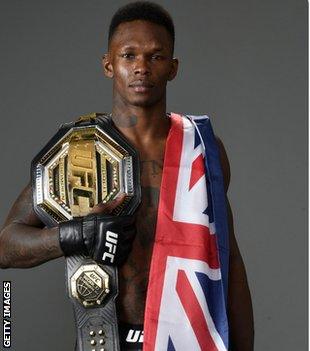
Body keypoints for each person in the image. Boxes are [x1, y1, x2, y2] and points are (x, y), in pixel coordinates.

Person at [0, 2, 253, 350]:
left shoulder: (202, 147)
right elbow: (6, 246)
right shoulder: (78, 153)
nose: (141, 68)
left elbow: (230, 259)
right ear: (109, 64)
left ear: (173, 68)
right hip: (106, 338)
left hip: (189, 340)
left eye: (156, 57)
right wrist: (77, 234)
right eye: (129, 55)